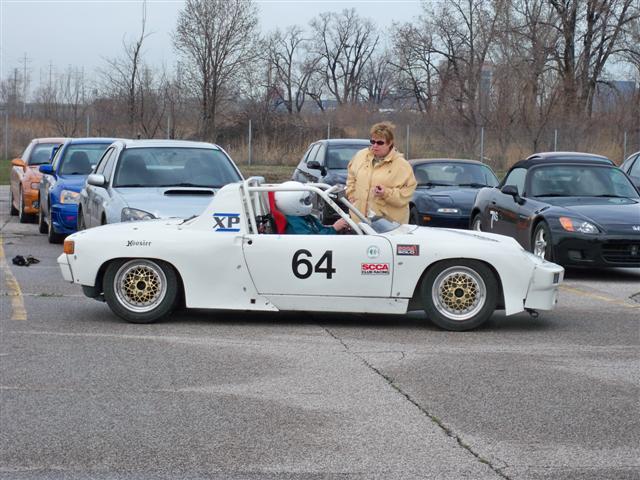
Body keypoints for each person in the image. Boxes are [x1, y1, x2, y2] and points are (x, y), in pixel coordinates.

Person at [346, 122, 416, 224]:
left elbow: (406, 196)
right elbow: (351, 176)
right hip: (358, 220)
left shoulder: (402, 165)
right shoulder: (361, 156)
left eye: (380, 143)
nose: (375, 145)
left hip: (388, 225)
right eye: (372, 141)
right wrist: (351, 194)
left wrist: (386, 193)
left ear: (390, 143)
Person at [275, 181, 349, 234]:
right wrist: (334, 228)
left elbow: (319, 229)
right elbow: (314, 241)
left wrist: (336, 226)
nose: (309, 202)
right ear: (293, 203)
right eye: (306, 200)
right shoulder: (295, 225)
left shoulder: (305, 217)